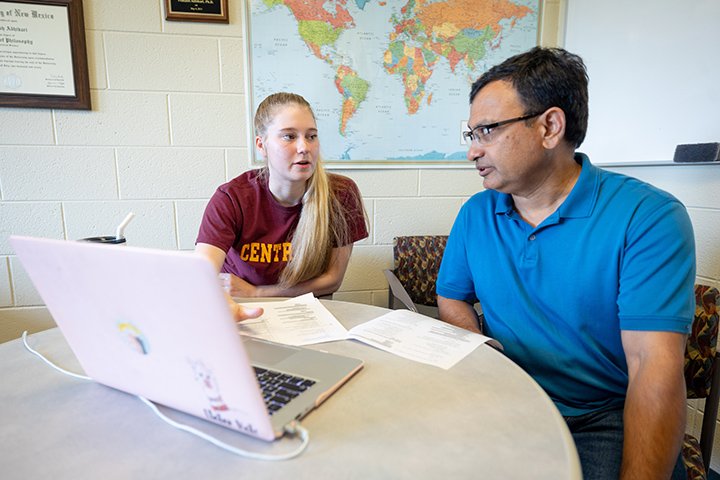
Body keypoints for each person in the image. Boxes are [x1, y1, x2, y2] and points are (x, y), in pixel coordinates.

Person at [436, 47, 695, 480]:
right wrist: (482, 356)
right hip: (508, 398)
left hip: (601, 416)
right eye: (471, 135)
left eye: (487, 131)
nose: (472, 152)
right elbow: (451, 297)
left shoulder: (648, 217)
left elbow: (655, 369)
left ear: (550, 126)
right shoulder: (476, 214)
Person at [196, 92, 368, 320]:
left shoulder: (341, 194)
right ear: (262, 145)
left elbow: (332, 280)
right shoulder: (232, 197)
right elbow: (201, 272)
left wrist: (257, 292)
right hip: (243, 312)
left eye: (311, 136)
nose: (304, 147)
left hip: (305, 314)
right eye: (289, 136)